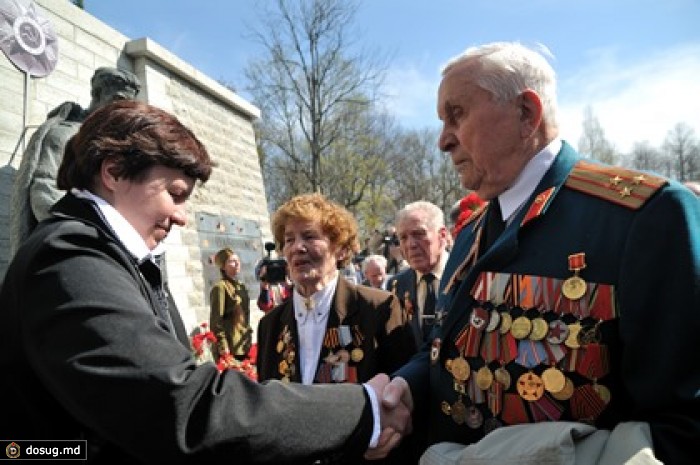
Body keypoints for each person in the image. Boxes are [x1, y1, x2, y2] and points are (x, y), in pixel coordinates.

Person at [0, 100, 411, 463]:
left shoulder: (108, 254)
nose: (181, 216)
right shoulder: (69, 256)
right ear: (113, 172)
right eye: (174, 194)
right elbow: (183, 409)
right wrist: (363, 409)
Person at [382, 41, 699, 465]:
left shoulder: (646, 215)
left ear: (526, 114)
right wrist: (406, 386)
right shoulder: (470, 232)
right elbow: (444, 347)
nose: (443, 141)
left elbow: (680, 422)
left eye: (456, 115)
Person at [256, 193, 417, 387]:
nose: (297, 247)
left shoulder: (379, 309)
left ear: (340, 249)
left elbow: (403, 397)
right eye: (289, 240)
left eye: (309, 236)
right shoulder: (270, 325)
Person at [9, 66, 141, 255]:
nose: (121, 110)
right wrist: (88, 235)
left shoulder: (117, 144)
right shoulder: (64, 135)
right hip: (71, 249)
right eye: (117, 100)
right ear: (96, 94)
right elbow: (44, 193)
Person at [387, 201, 450, 348]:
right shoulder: (396, 286)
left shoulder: (466, 276)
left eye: (419, 234)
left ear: (442, 235)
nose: (411, 244)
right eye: (403, 238)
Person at [209, 247, 252, 362]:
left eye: (238, 260)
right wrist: (223, 346)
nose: (237, 263)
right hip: (231, 345)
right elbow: (216, 320)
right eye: (232, 261)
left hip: (243, 343)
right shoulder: (220, 287)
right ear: (223, 266)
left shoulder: (240, 287)